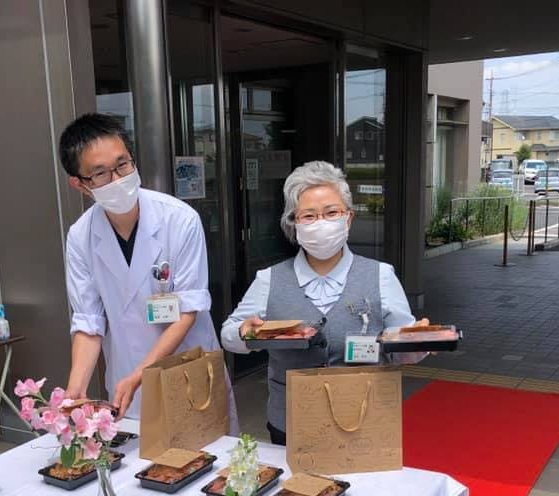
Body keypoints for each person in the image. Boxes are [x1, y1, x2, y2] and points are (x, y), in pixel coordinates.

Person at [221, 160, 429, 445]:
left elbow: (401, 348)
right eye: (309, 216)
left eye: (331, 212)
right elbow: (228, 335)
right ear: (294, 224)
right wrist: (245, 332)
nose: (321, 223)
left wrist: (419, 342)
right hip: (291, 423)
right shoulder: (269, 279)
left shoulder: (380, 275)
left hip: (363, 420)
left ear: (348, 218)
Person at [60, 113, 235, 424]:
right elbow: (88, 322)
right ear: (80, 184)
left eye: (123, 165)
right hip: (127, 378)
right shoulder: (80, 236)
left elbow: (187, 311)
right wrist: (75, 390)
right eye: (100, 174)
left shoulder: (179, 219)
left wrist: (141, 374)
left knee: (203, 449)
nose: (117, 179)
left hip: (187, 368)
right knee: (138, 452)